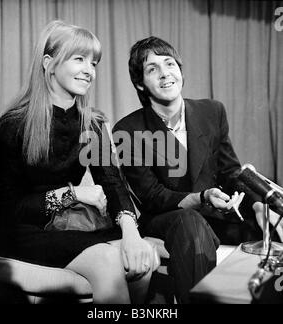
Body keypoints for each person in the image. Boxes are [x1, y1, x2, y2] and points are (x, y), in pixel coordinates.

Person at [0, 21, 159, 304]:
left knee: (142, 256)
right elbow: (10, 209)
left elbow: (112, 182)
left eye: (93, 62)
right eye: (79, 59)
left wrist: (131, 232)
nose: (89, 70)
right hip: (20, 232)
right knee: (107, 258)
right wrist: (73, 194)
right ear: (49, 63)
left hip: (64, 226)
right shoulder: (13, 124)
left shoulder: (91, 124)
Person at [112, 36, 283, 303]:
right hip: (169, 219)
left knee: (271, 217)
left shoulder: (212, 111)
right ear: (139, 83)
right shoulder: (128, 130)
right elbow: (152, 195)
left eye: (170, 64)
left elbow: (231, 173)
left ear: (180, 70)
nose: (165, 73)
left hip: (217, 216)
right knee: (191, 225)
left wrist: (258, 203)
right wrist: (201, 198)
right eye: (152, 69)